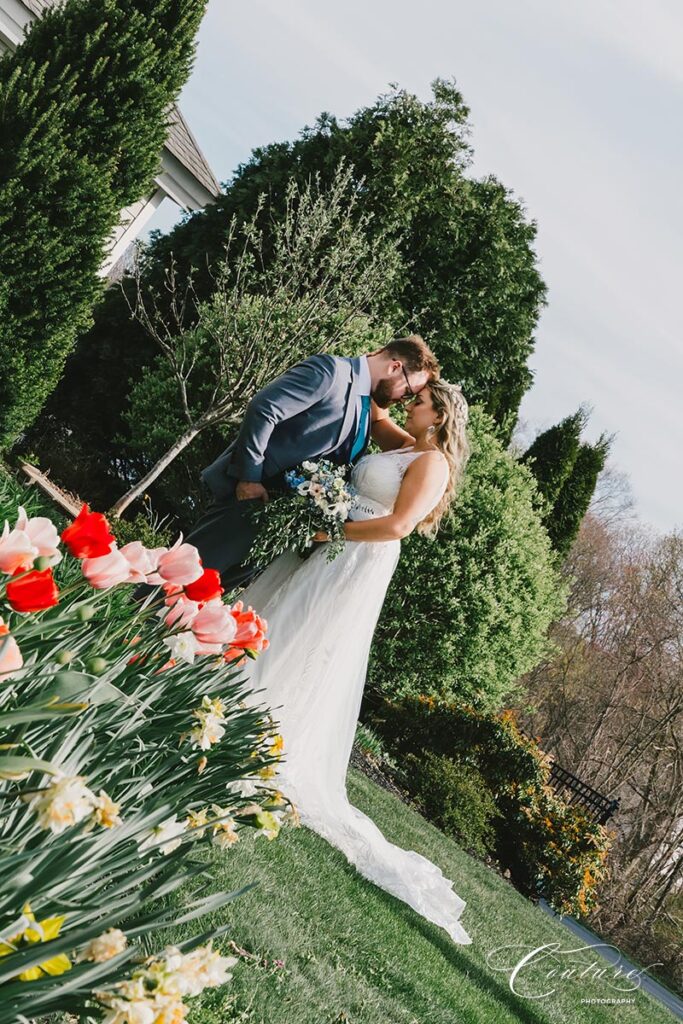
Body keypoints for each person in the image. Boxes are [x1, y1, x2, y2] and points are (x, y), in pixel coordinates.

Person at [236, 377, 473, 946]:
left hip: (359, 553)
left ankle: (260, 731)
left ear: (437, 417)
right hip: (335, 541)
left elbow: (399, 525)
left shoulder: (432, 463)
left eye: (418, 401)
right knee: (282, 615)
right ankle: (237, 704)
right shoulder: (406, 445)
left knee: (307, 636)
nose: (410, 405)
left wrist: (331, 526)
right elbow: (367, 403)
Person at [184, 336, 440, 590]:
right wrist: (249, 478)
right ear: (395, 367)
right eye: (407, 392)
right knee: (178, 583)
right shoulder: (332, 372)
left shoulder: (365, 406)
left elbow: (411, 449)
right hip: (247, 502)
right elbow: (264, 409)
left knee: (203, 605)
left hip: (275, 526)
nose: (403, 402)